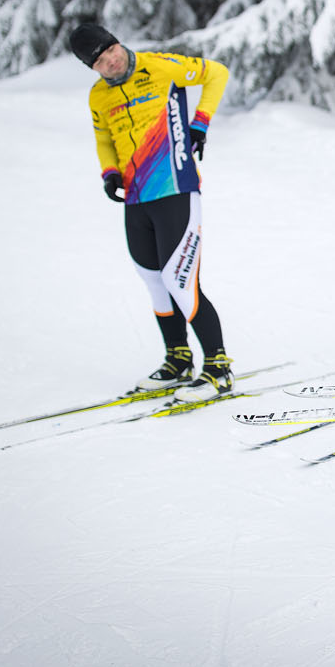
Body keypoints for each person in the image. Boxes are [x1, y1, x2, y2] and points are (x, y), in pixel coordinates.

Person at [70, 23, 234, 403]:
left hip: (175, 188)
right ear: (91, 68)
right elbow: (103, 138)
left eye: (110, 50)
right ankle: (178, 360)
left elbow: (217, 73)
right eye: (99, 61)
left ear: (117, 42)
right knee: (154, 280)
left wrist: (201, 122)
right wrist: (109, 172)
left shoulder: (160, 67)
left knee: (180, 280)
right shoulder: (98, 96)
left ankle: (219, 368)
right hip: (136, 197)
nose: (111, 61)